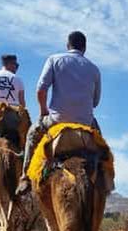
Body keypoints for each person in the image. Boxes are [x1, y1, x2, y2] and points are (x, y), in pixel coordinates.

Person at [16, 31, 102, 195]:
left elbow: (41, 90)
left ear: (67, 45)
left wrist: (43, 112)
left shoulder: (54, 60)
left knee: (32, 135)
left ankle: (25, 177)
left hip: (57, 120)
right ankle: (102, 179)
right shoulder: (94, 69)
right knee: (101, 145)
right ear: (85, 48)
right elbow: (95, 102)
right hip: (85, 123)